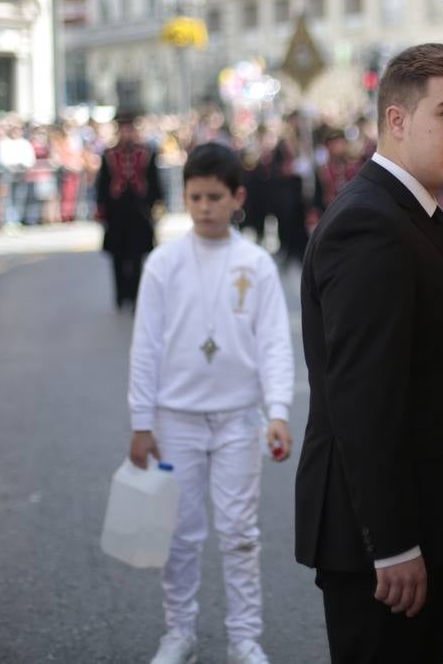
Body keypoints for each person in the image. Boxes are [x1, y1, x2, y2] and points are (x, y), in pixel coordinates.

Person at [294, 43, 443, 663]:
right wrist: (391, 544)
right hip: (386, 545)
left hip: (428, 520)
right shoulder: (371, 226)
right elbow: (364, 402)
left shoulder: (411, 212)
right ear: (396, 120)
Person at [127, 142, 295, 664]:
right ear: (185, 196)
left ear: (237, 197)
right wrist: (140, 421)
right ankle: (179, 633)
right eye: (195, 196)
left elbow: (274, 342)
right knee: (178, 533)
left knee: (240, 532)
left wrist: (279, 412)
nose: (204, 206)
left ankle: (245, 639)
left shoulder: (255, 264)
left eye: (215, 197)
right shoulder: (163, 263)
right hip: (175, 421)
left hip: (240, 419)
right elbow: (146, 345)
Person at [96, 111, 164, 310]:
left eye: (130, 129)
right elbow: (103, 184)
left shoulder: (147, 154)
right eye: (123, 129)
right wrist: (101, 209)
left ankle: (135, 294)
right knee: (118, 256)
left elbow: (154, 182)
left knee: (137, 254)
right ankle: (120, 295)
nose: (127, 133)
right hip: (116, 213)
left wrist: (156, 205)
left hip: (139, 212)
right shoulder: (109, 155)